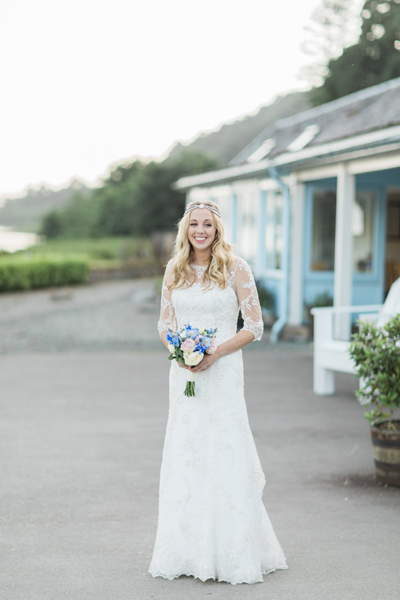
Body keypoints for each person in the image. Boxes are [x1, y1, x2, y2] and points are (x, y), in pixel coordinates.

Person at [148, 200, 287, 585]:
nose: (200, 231)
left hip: (223, 372)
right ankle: (186, 549)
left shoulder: (236, 268)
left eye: (207, 224)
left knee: (224, 449)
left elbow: (254, 326)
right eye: (194, 224)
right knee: (187, 450)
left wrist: (214, 353)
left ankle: (232, 552)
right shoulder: (174, 270)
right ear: (186, 229)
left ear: (217, 229)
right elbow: (164, 321)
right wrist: (178, 351)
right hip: (184, 375)